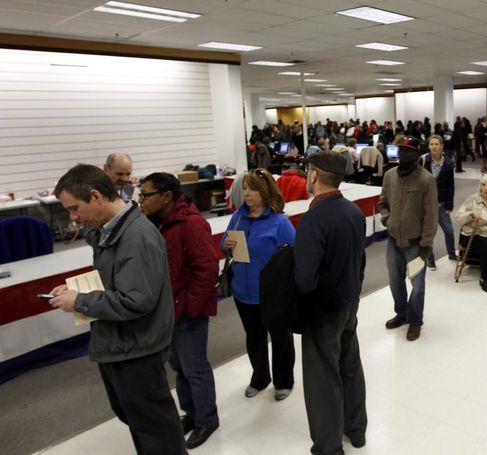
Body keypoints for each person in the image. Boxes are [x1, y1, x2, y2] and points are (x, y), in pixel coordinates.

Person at [48, 164, 186, 454]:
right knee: (138, 420)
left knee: (156, 429)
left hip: (136, 349)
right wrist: (76, 290)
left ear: (96, 196)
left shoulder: (136, 236)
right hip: (121, 343)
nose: (73, 217)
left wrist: (80, 301)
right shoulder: (111, 231)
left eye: (74, 208)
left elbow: (136, 300)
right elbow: (115, 281)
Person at [138, 172, 220, 449]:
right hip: (168, 313)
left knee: (195, 369)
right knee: (180, 368)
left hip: (186, 313)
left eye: (146, 195)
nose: (141, 201)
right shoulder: (156, 223)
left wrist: (188, 308)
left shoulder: (191, 224)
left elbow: (208, 270)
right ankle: (192, 413)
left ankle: (207, 420)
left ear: (166, 196)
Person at [294, 151, 367, 455]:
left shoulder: (313, 219)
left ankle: (328, 446)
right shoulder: (353, 212)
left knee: (322, 378)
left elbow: (304, 280)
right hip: (349, 303)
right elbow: (359, 261)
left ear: (313, 175)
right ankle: (356, 430)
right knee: (350, 365)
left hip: (323, 313)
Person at [220, 168, 296, 401]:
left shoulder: (280, 222)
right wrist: (227, 244)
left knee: (280, 339)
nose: (247, 193)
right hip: (243, 292)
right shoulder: (238, 217)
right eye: (244, 188)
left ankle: (284, 381)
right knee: (254, 338)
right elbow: (225, 243)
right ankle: (260, 377)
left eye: (252, 188)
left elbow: (292, 258)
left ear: (265, 191)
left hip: (272, 294)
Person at [379, 136, 438, 341]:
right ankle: (402, 313)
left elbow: (431, 216)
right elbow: (383, 202)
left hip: (416, 245)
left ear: (416, 153)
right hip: (393, 242)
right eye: (400, 149)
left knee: (417, 286)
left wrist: (426, 245)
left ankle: (415, 321)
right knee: (395, 283)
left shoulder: (426, 180)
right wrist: (387, 220)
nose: (403, 153)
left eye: (407, 150)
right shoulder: (388, 176)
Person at [419, 134, 456, 269]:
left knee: (449, 230)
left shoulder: (448, 163)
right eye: (431, 144)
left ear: (442, 146)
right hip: (426, 205)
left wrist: (449, 205)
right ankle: (430, 259)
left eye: (436, 144)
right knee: (429, 233)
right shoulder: (423, 161)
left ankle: (452, 253)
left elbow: (451, 185)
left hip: (441, 204)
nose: (434, 147)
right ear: (428, 146)